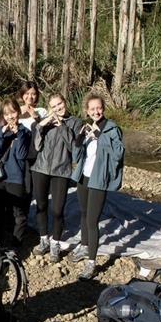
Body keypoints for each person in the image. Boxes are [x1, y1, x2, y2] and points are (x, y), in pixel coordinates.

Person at [70, 93, 125, 280]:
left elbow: (118, 154)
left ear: (104, 108)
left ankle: (91, 263)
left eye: (99, 108)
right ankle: (84, 247)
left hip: (98, 180)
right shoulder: (86, 128)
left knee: (92, 221)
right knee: (84, 213)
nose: (96, 111)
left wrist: (100, 137)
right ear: (87, 111)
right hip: (83, 177)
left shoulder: (111, 129)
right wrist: (79, 139)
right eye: (92, 109)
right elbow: (76, 156)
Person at [31, 95, 82, 261]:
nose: (58, 108)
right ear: (49, 108)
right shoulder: (47, 122)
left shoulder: (75, 122)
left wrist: (62, 127)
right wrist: (40, 125)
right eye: (53, 106)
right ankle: (43, 239)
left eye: (59, 103)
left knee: (58, 210)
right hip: (41, 168)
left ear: (65, 102)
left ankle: (56, 243)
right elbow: (37, 146)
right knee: (41, 206)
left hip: (61, 171)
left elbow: (74, 149)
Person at [0, 97, 31, 247]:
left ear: (18, 112)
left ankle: (16, 244)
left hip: (16, 178)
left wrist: (18, 135)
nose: (10, 117)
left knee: (18, 213)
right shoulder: (0, 131)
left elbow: (21, 155)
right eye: (7, 114)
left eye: (13, 113)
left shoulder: (25, 133)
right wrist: (2, 133)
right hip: (0, 178)